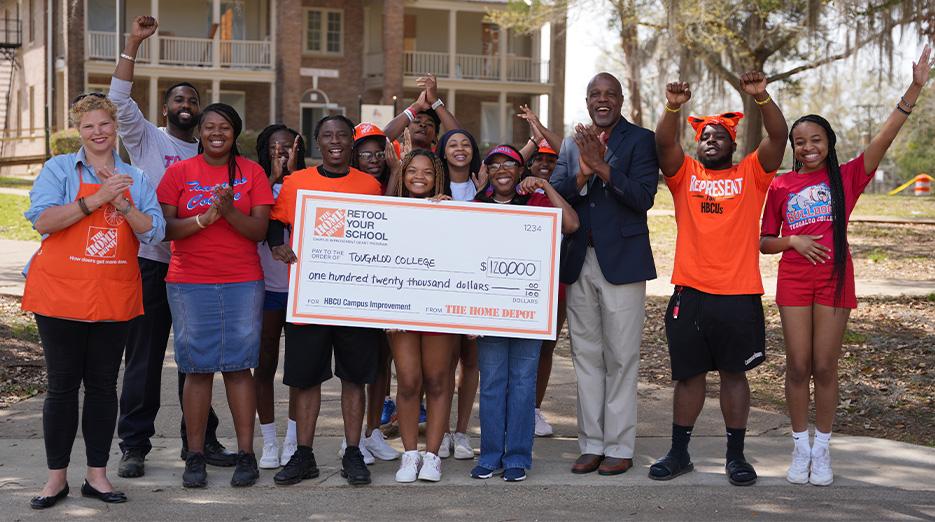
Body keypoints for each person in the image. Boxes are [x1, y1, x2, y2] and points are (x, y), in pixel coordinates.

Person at [760, 46, 932, 487]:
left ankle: (823, 447)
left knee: (824, 366)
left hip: (835, 279)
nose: (808, 146)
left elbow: (885, 138)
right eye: (800, 141)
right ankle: (799, 449)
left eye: (816, 139)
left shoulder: (847, 178)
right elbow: (763, 241)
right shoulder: (781, 184)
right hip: (795, 281)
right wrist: (792, 239)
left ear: (829, 143)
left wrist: (914, 87)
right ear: (794, 148)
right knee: (797, 366)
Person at [22, 93, 165, 508]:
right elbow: (43, 221)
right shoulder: (59, 169)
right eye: (89, 126)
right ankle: (55, 480)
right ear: (79, 131)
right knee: (62, 387)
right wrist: (97, 199)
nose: (98, 132)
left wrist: (122, 202)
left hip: (112, 294)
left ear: (115, 127)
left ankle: (97, 477)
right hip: (59, 294)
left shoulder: (135, 178)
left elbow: (152, 232)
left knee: (103, 387)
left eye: (104, 124)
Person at [110, 15, 234, 478]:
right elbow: (118, 99)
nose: (186, 105)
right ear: (165, 110)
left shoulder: (210, 155)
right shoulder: (146, 138)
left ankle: (197, 442)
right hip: (149, 262)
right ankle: (134, 445)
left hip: (196, 266)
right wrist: (133, 43)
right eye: (178, 99)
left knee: (196, 357)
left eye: (193, 101)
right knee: (142, 357)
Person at [649, 72, 788, 487]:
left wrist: (761, 97)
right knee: (689, 377)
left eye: (719, 136)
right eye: (705, 136)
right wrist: (673, 106)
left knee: (733, 375)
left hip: (738, 293)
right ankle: (679, 453)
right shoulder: (684, 174)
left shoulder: (751, 174)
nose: (710, 140)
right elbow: (663, 144)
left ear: (733, 144)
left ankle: (736, 456)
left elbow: (778, 136)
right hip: (690, 293)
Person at [157, 103, 274, 488]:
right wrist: (204, 219)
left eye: (224, 126)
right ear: (200, 133)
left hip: (242, 281)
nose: (216, 132)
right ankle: (195, 455)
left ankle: (246, 454)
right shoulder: (179, 172)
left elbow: (259, 231)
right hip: (190, 282)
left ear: (235, 132)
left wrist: (228, 213)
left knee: (240, 368)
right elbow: (166, 229)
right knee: (197, 368)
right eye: (209, 127)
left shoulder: (252, 172)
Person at [549, 72, 658, 476]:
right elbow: (557, 190)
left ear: (621, 99)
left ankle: (619, 446)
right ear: (587, 99)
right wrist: (582, 170)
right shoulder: (569, 142)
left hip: (623, 262)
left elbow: (643, 197)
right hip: (580, 260)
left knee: (622, 357)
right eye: (595, 93)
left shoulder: (641, 140)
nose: (602, 100)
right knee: (587, 356)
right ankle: (591, 443)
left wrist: (602, 167)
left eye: (610, 94)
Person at [267, 115, 384, 487]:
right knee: (305, 380)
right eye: (327, 136)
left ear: (352, 142)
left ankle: (353, 452)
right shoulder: (296, 182)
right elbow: (274, 223)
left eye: (342, 135)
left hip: (354, 298)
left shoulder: (370, 186)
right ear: (317, 143)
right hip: (310, 295)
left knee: (354, 378)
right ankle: (304, 454)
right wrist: (277, 244)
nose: (335, 141)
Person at [470, 145, 579, 482]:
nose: (503, 169)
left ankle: (517, 456)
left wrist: (546, 186)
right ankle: (490, 455)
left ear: (520, 171)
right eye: (495, 164)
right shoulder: (477, 206)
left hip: (529, 309)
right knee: (491, 383)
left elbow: (572, 224)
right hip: (488, 310)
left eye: (510, 164)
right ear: (487, 171)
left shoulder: (538, 203)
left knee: (522, 384)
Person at [388, 149, 459, 482]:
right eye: (412, 170)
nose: (419, 177)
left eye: (428, 172)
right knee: (409, 380)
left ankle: (432, 456)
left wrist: (448, 214)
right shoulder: (388, 212)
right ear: (402, 175)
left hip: (438, 306)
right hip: (400, 307)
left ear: (438, 177)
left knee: (438, 380)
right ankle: (410, 454)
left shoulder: (451, 211)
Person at [254, 124, 305, 469]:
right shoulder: (255, 183)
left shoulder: (309, 183)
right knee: (265, 362)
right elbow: (260, 221)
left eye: (287, 147)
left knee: (299, 369)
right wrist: (273, 178)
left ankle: (292, 439)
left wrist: (289, 177)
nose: (281, 152)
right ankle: (269, 440)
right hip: (266, 288)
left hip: (302, 289)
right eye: (274, 147)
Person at [434, 128, 483, 459]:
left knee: (471, 362)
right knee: (442, 364)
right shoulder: (434, 186)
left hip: (477, 285)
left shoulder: (485, 186)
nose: (460, 149)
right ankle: (441, 430)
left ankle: (462, 432)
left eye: (466, 143)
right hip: (440, 285)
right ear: (443, 151)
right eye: (452, 144)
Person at [524, 140, 564, 437]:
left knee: (546, 346)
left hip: (557, 279)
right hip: (522, 280)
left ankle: (534, 409)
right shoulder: (519, 192)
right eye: (539, 160)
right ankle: (516, 407)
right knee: (520, 348)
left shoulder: (567, 190)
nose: (545, 165)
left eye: (552, 160)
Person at [383, 74, 462, 151]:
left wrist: (435, 102)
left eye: (429, 124)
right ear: (404, 131)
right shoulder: (393, 153)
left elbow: (460, 138)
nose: (423, 125)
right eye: (417, 121)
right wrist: (416, 106)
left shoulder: (441, 156)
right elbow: (380, 140)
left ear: (435, 136)